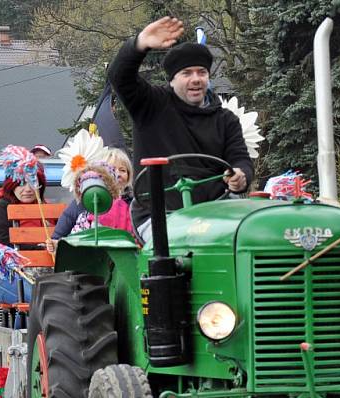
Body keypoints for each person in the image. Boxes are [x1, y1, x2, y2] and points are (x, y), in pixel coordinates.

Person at [108, 16, 253, 239]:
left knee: (249, 234)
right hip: (159, 214)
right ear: (172, 80)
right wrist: (139, 44)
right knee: (189, 241)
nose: (195, 79)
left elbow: (240, 159)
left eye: (201, 72)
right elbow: (120, 77)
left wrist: (240, 176)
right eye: (187, 73)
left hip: (216, 213)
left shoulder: (226, 120)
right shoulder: (150, 104)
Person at [0, 155, 51, 305]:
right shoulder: (0, 209)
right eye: (21, 183)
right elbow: (4, 242)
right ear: (11, 185)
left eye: (33, 183)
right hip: (2, 276)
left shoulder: (48, 210)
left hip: (43, 276)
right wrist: (39, 247)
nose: (27, 189)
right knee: (40, 297)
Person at [45, 147, 134, 253]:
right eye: (113, 169)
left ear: (129, 176)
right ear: (101, 174)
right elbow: (61, 234)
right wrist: (55, 244)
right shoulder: (86, 201)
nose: (118, 174)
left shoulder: (132, 204)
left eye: (122, 170)